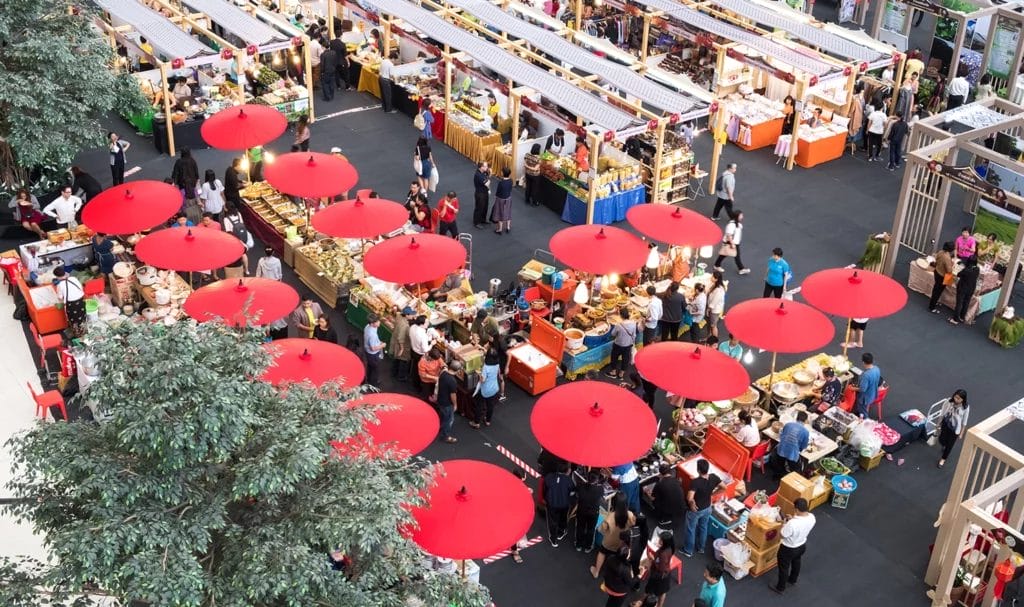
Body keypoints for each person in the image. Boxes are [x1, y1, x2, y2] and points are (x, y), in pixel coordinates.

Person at [773, 498, 816, 594]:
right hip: (801, 546)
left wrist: (784, 524)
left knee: (783, 568)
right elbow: (802, 523)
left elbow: (782, 535)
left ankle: (780, 587)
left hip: (788, 548)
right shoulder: (812, 517)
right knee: (796, 562)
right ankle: (792, 579)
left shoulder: (792, 524)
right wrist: (792, 519)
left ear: (796, 509)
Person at [682, 459, 722, 557]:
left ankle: (688, 550)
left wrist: (692, 503)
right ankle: (701, 548)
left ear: (698, 470)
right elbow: (724, 487)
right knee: (703, 527)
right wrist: (712, 494)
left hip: (696, 510)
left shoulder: (696, 482)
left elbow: (689, 497)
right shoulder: (714, 477)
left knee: (691, 529)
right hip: (708, 508)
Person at [591, 495, 636, 578]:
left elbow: (602, 529)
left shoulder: (609, 517)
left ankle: (596, 572)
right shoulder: (630, 514)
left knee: (602, 553)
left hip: (608, 542)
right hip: (622, 543)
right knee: (623, 557)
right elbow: (633, 523)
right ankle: (629, 573)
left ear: (614, 503)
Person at [651, 463, 686, 543]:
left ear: (660, 473)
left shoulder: (660, 484)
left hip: (668, 510)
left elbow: (653, 497)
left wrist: (648, 491)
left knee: (655, 499)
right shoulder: (676, 480)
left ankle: (662, 519)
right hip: (681, 507)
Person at [640, 530, 676, 607]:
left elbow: (661, 569)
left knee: (649, 589)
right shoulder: (669, 548)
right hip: (665, 574)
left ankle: (641, 602)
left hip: (659, 575)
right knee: (662, 592)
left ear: (665, 542)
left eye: (661, 540)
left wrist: (653, 559)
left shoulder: (663, 554)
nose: (659, 540)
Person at [544, 462, 575, 547]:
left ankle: (553, 540)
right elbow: (572, 493)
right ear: (567, 471)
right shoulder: (569, 480)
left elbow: (545, 490)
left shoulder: (549, 477)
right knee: (563, 518)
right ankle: (561, 533)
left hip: (551, 504)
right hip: (564, 505)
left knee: (552, 522)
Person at [471, 347, 503, 428]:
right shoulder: (497, 364)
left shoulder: (486, 367)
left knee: (480, 406)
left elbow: (483, 380)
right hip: (494, 388)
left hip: (485, 390)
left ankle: (476, 423)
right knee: (490, 405)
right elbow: (498, 374)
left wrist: (479, 374)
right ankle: (488, 420)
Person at [937, 389, 970, 468]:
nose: (956, 399)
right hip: (946, 424)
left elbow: (964, 421)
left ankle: (943, 459)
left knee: (950, 445)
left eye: (959, 399)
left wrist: (962, 433)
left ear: (963, 399)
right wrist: (938, 423)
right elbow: (942, 413)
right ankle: (943, 445)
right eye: (956, 397)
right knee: (942, 439)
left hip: (955, 429)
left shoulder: (965, 407)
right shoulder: (948, 402)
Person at [772, 412, 810, 477]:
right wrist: (799, 449)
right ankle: (791, 480)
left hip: (781, 449)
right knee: (796, 469)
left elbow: (782, 435)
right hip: (792, 454)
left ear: (797, 417)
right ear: (806, 420)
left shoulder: (788, 424)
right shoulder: (805, 432)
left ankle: (777, 475)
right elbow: (804, 446)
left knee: (779, 464)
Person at [575, 471, 604, 552]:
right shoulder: (600, 489)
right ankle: (588, 546)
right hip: (593, 513)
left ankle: (578, 545)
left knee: (580, 527)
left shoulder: (581, 486)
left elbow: (577, 493)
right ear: (596, 480)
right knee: (591, 530)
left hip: (581, 511)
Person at [607, 308, 637, 380]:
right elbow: (634, 335)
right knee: (625, 359)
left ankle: (613, 373)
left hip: (618, 344)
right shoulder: (633, 323)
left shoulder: (619, 325)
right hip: (628, 345)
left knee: (614, 358)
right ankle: (621, 374)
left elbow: (613, 334)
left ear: (621, 316)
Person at [435, 359, 461, 444]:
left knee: (442, 416)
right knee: (449, 420)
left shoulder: (443, 373)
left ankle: (440, 428)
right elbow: (453, 395)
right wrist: (455, 404)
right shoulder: (452, 381)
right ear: (457, 370)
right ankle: (446, 436)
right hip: (447, 404)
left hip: (440, 399)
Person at [950, 255, 980, 326]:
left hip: (963, 288)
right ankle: (962, 317)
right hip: (971, 288)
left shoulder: (966, 270)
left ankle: (955, 319)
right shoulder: (977, 269)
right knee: (966, 303)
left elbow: (958, 274)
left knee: (959, 303)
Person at [389, 306, 415, 381]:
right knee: (402, 360)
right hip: (399, 344)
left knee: (396, 358)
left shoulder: (399, 316)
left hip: (394, 339)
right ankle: (401, 377)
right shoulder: (405, 325)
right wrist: (402, 348)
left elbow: (396, 312)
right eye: (411, 314)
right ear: (406, 315)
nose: (412, 316)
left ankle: (393, 372)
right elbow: (400, 338)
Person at [929, 242, 955, 313]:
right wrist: (952, 265)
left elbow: (936, 260)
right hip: (943, 276)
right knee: (938, 291)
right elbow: (949, 271)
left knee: (936, 289)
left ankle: (934, 302)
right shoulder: (947, 258)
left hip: (937, 272)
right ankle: (932, 307)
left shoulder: (940, 252)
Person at [854, 353, 881, 418]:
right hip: (873, 393)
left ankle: (865, 421)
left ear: (863, 362)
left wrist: (852, 388)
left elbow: (862, 389)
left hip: (865, 398)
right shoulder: (876, 369)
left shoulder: (866, 375)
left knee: (863, 412)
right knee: (863, 409)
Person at [409, 315, 433, 392]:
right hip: (420, 354)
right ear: (421, 324)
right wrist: (432, 343)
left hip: (413, 350)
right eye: (426, 322)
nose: (428, 323)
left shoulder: (412, 327)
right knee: (420, 370)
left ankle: (414, 382)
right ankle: (418, 386)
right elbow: (426, 349)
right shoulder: (422, 335)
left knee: (415, 368)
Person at [363, 314, 386, 387]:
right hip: (373, 354)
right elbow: (373, 348)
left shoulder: (368, 327)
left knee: (370, 366)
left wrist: (378, 342)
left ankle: (368, 379)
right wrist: (382, 345)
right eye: (377, 321)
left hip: (367, 352)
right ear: (372, 324)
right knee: (375, 368)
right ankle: (374, 384)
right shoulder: (372, 334)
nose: (379, 322)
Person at [491, 167, 513, 234]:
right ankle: (508, 227)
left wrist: (496, 196)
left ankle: (500, 229)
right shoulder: (511, 181)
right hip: (508, 198)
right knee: (508, 211)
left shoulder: (501, 182)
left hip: (501, 199)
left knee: (500, 213)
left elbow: (498, 192)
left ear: (503, 173)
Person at [706, 272, 726, 339]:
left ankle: (715, 340)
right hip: (713, 309)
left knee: (713, 325)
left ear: (716, 279)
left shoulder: (719, 290)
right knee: (710, 324)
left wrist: (708, 309)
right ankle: (709, 337)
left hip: (714, 310)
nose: (711, 278)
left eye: (712, 277)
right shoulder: (715, 285)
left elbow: (714, 302)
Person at [472, 162, 491, 228]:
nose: (487, 167)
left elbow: (487, 181)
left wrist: (488, 189)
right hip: (480, 194)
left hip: (485, 192)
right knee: (479, 208)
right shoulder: (478, 175)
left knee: (485, 207)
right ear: (481, 167)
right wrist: (489, 179)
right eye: (485, 166)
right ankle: (476, 222)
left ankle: (483, 219)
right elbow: (487, 183)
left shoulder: (484, 172)